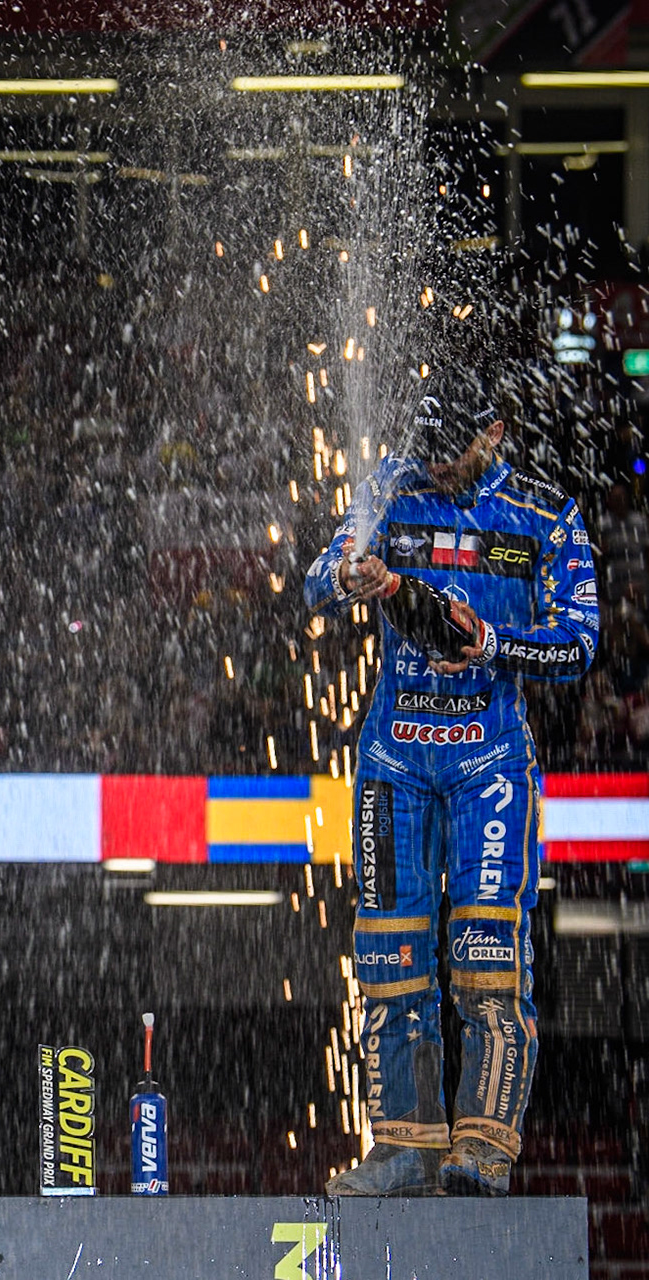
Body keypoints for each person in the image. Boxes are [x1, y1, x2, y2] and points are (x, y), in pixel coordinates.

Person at [305, 371, 597, 1196]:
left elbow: (579, 641)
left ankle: (485, 1149)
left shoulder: (545, 516)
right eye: (427, 451)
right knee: (390, 959)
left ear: (495, 432)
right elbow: (314, 582)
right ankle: (405, 1148)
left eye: (454, 454)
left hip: (491, 766)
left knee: (487, 960)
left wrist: (497, 644)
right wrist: (346, 575)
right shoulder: (390, 486)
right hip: (393, 763)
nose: (436, 469)